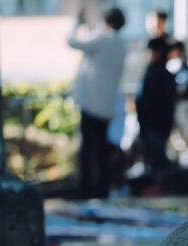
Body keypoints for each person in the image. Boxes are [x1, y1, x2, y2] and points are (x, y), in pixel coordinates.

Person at [68, 7, 127, 199]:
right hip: (107, 106)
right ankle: (101, 190)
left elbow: (72, 41)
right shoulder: (121, 45)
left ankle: (84, 190)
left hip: (91, 104)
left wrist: (76, 22)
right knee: (102, 149)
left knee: (87, 149)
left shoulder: (102, 39)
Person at [136, 36, 177, 194]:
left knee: (155, 160)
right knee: (158, 159)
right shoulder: (166, 74)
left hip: (152, 125)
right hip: (161, 125)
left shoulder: (154, 73)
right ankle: (160, 187)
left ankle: (159, 189)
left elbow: (148, 101)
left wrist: (143, 119)